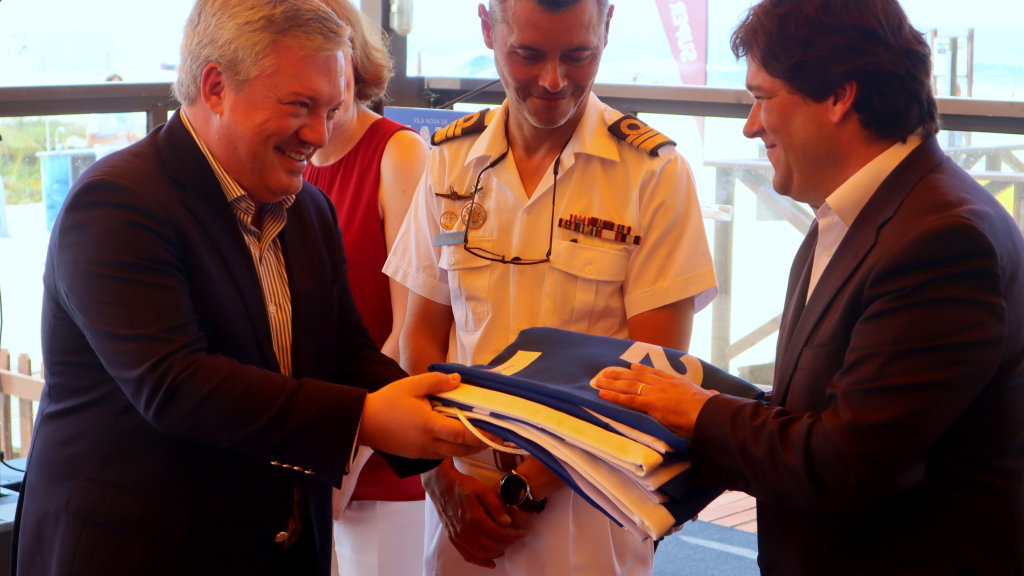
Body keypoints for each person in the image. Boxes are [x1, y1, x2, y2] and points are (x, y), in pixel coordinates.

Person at [12, 1, 488, 575]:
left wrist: (452, 416)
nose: (319, 134)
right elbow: (177, 386)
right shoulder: (118, 202)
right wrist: (365, 418)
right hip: (142, 552)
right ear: (215, 86)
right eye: (300, 106)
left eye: (333, 109)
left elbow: (345, 352)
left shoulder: (307, 209)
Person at [595, 1, 1024, 574]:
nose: (751, 125)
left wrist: (697, 412)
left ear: (839, 97)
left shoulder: (944, 241)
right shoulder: (856, 217)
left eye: (763, 97)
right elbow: (819, 412)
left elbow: (846, 463)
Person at [384, 0, 717, 574]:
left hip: (588, 498)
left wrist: (523, 486)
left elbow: (655, 375)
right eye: (528, 55)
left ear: (607, 27)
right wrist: (442, 484)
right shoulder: (450, 162)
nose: (554, 80)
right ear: (488, 28)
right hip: (463, 491)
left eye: (579, 55)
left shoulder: (653, 173)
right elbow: (419, 340)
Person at [301, 1, 430, 574]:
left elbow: (410, 330)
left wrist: (346, 456)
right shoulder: (288, 159)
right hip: (302, 444)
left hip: (375, 455)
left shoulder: (398, 153)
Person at [86, 74, 139, 159]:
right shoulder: (100, 111)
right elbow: (89, 141)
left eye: (120, 86)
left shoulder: (128, 110)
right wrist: (115, 138)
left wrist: (131, 138)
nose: (117, 90)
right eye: (114, 86)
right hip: (106, 156)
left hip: (126, 156)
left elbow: (132, 139)